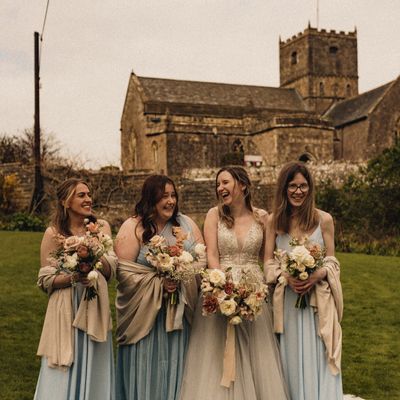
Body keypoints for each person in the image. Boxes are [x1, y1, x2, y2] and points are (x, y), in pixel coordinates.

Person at [180, 166, 289, 400]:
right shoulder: (214, 215)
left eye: (225, 182)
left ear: (243, 185)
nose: (220, 188)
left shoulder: (262, 218)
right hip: (221, 289)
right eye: (218, 184)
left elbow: (266, 258)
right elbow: (212, 256)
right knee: (218, 355)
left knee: (255, 354)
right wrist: (222, 291)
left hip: (254, 292)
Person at [114, 174, 203, 400]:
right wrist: (158, 283)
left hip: (180, 319)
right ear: (150, 198)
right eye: (164, 196)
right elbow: (124, 272)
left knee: (178, 368)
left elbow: (202, 262)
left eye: (173, 195)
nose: (171, 201)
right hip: (145, 320)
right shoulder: (133, 226)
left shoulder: (187, 224)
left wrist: (181, 274)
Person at [264, 161, 343, 400]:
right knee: (290, 356)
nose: (298, 191)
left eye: (303, 186)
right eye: (292, 186)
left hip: (316, 304)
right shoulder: (273, 222)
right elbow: (267, 263)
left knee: (318, 353)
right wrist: (286, 276)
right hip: (287, 302)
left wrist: (318, 274)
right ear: (284, 189)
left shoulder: (324, 220)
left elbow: (332, 261)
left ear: (310, 188)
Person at [34, 178, 117, 400]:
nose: (88, 199)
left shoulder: (101, 228)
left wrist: (95, 255)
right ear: (65, 201)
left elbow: (111, 271)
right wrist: (75, 276)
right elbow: (45, 280)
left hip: (94, 306)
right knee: (63, 366)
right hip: (65, 308)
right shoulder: (53, 233)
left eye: (88, 194)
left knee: (94, 366)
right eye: (81, 195)